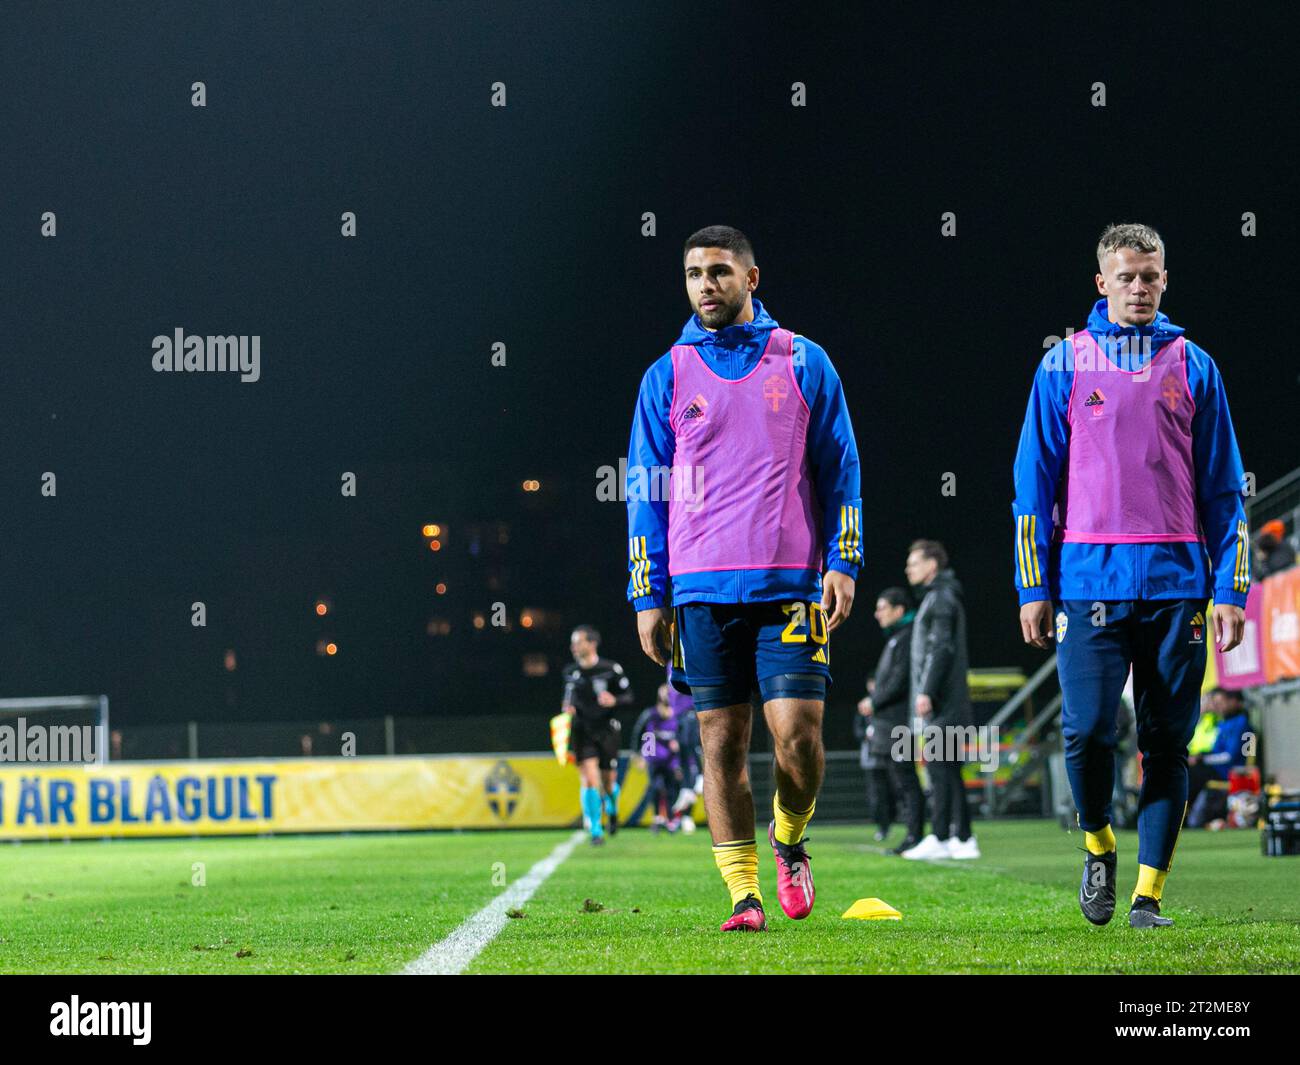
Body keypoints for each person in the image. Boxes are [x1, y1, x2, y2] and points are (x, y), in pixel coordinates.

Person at [625, 226, 862, 932]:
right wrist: (648, 594)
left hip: (789, 586)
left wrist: (843, 560)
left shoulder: (803, 361)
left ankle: (789, 837)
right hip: (698, 594)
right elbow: (645, 492)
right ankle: (743, 894)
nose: (706, 284)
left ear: (751, 279)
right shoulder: (665, 374)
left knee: (798, 739)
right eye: (694, 273)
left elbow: (840, 470)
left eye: (720, 271)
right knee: (721, 747)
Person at [1013, 222, 1249, 928]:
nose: (1139, 287)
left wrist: (1230, 590)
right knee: (1085, 731)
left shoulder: (1195, 365)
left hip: (1179, 589)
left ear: (1165, 281)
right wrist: (1033, 586)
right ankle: (1097, 843)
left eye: (1150, 276)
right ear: (1102, 283)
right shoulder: (1063, 365)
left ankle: (1148, 894)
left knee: (1165, 744)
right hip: (1086, 588)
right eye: (1126, 276)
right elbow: (1032, 487)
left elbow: (1226, 493)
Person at [900, 541, 979, 860]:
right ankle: (961, 836)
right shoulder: (939, 596)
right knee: (947, 768)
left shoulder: (941, 598)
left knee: (939, 767)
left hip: (944, 702)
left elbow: (941, 648)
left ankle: (943, 834)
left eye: (914, 562)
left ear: (932, 565)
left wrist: (926, 691)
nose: (909, 569)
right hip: (947, 701)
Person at [857, 587, 924, 852]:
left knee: (906, 780)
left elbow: (899, 680)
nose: (877, 614)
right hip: (891, 723)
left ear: (899, 610)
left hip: (900, 723)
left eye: (882, 608)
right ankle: (913, 835)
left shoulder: (906, 637)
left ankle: (916, 836)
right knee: (899, 781)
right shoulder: (897, 637)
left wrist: (874, 701)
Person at [560, 625, 635, 845]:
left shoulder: (611, 668)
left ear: (592, 643)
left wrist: (614, 700)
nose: (574, 646)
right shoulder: (571, 672)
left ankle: (612, 808)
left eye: (578, 641)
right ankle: (595, 829)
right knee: (589, 780)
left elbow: (629, 696)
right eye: (573, 642)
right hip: (582, 731)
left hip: (607, 730)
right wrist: (568, 709)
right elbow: (568, 698)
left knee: (608, 782)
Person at [1187, 689, 1251, 826]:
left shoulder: (1241, 723)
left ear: (1233, 701)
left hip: (1227, 771)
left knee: (1191, 775)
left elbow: (1229, 756)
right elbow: (1216, 751)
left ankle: (1183, 817)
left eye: (1221, 702)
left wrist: (1203, 759)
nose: (1218, 707)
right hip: (1215, 768)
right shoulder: (1223, 724)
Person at [632, 688, 685, 831]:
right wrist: (638, 754)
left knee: (671, 789)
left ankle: (670, 819)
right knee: (655, 787)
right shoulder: (651, 714)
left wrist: (679, 746)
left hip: (671, 760)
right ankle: (657, 818)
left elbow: (684, 736)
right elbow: (639, 732)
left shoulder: (678, 716)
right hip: (653, 757)